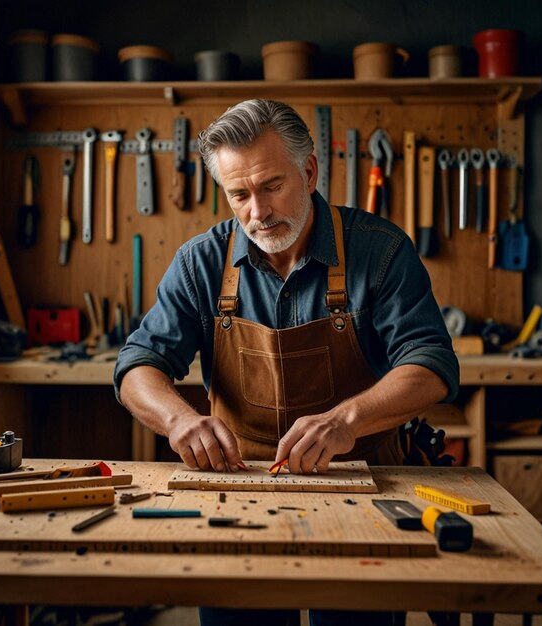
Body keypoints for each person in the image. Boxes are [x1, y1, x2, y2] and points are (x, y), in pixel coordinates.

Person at [114, 99, 459, 626]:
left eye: (272, 185)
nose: (258, 212)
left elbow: (431, 364)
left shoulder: (380, 251)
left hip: (363, 489)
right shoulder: (201, 263)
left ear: (310, 170)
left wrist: (346, 421)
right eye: (239, 195)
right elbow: (138, 363)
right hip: (236, 488)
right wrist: (178, 419)